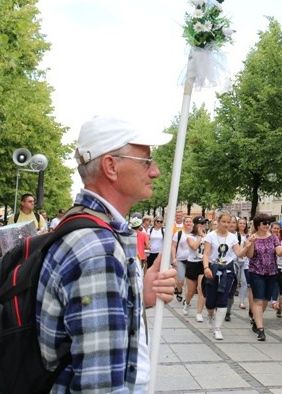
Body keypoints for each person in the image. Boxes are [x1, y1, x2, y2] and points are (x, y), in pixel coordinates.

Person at [37, 114, 177, 392]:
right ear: (111, 166)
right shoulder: (97, 249)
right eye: (146, 161)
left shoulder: (90, 228)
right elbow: (99, 384)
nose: (156, 171)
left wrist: (140, 296)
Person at [203, 211, 245, 340]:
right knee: (210, 301)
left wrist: (248, 246)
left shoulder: (232, 237)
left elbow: (239, 253)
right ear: (219, 221)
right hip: (213, 269)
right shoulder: (210, 236)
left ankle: (218, 328)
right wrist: (206, 267)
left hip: (227, 271)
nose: (226, 224)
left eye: (229, 222)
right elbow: (206, 253)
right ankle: (210, 316)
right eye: (224, 222)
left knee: (223, 299)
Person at [245, 213, 282, 341]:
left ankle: (256, 320)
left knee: (266, 299)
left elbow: (279, 253)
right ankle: (261, 330)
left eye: (268, 223)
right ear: (257, 225)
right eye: (264, 223)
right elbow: (250, 255)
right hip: (256, 272)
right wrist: (250, 244)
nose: (267, 225)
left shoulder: (273, 238)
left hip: (272, 272)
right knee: (258, 300)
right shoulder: (252, 237)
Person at [183, 216, 207, 321]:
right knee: (191, 291)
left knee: (201, 289)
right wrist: (200, 237)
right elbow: (194, 247)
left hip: (202, 263)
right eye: (200, 224)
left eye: (204, 224)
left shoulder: (208, 236)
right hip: (192, 264)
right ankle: (187, 302)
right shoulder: (190, 236)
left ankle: (199, 312)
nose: (203, 226)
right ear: (196, 225)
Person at [171, 216, 193, 304]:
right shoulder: (179, 233)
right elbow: (173, 246)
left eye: (190, 222)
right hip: (180, 259)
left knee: (189, 281)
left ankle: (186, 299)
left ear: (192, 223)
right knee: (180, 280)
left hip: (191, 260)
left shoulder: (195, 234)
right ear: (184, 224)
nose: (188, 223)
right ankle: (179, 291)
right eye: (187, 222)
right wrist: (174, 258)